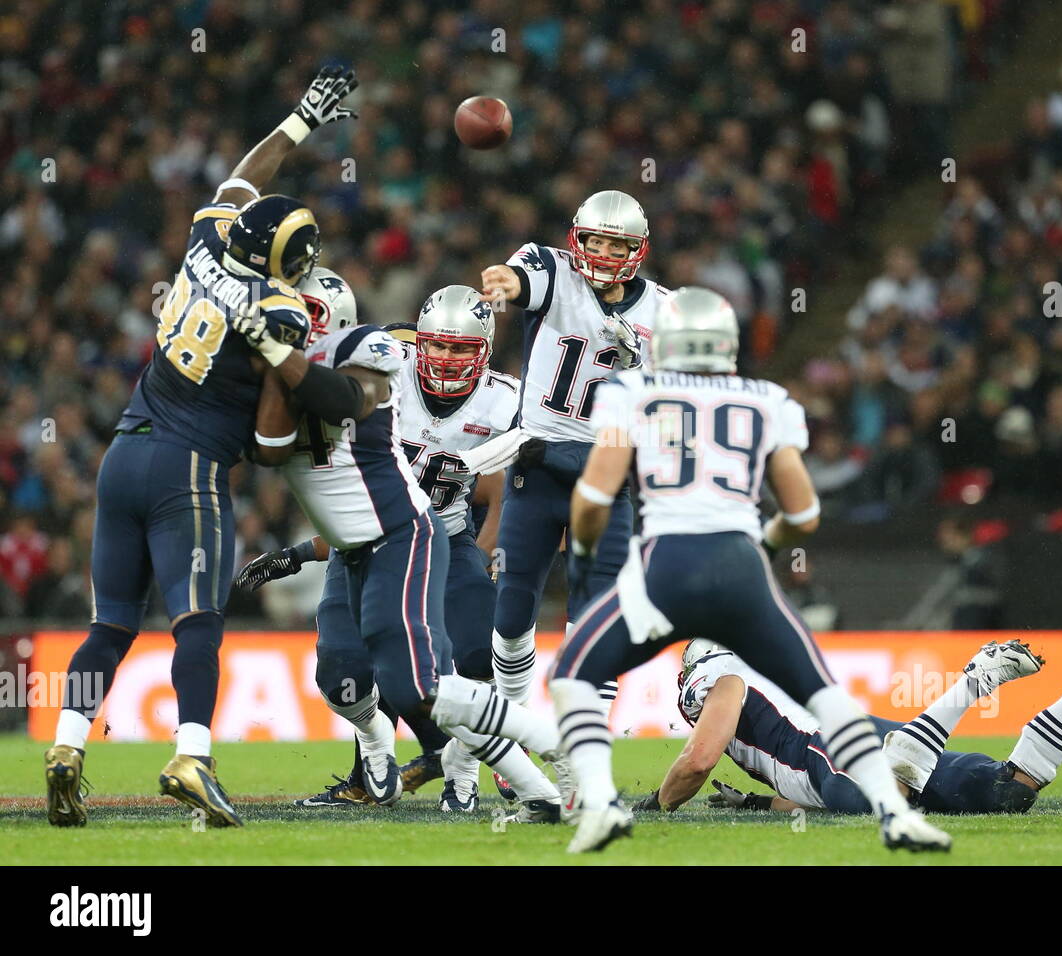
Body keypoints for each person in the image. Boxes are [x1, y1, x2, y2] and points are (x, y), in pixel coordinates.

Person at [43, 65, 360, 828]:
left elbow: (243, 181)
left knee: (109, 626)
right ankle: (191, 755)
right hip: (186, 469)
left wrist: (301, 119)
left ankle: (64, 748)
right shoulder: (279, 310)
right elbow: (270, 441)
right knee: (197, 622)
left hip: (123, 451)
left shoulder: (208, 237)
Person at [546, 286, 951, 853]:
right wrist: (766, 541)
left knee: (571, 675)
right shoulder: (767, 399)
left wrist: (585, 554)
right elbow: (804, 513)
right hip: (740, 566)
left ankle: (597, 806)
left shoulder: (631, 391)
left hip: (664, 566)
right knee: (824, 695)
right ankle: (894, 813)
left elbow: (593, 498)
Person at [242, 282, 572, 819]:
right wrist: (300, 552)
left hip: (439, 532)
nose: (444, 358)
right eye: (436, 345)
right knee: (347, 678)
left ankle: (473, 772)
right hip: (366, 539)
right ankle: (381, 760)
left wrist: (495, 553)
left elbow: (504, 490)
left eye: (460, 348)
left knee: (461, 663)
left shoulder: (494, 397)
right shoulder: (373, 375)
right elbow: (352, 496)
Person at [636, 625, 1062, 817]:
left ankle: (973, 681)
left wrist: (657, 804)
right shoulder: (760, 680)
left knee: (881, 807)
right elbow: (812, 792)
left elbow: (699, 759)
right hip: (864, 743)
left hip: (836, 749)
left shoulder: (721, 675)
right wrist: (758, 803)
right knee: (1006, 795)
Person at [478, 191, 666, 712]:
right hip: (536, 469)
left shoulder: (663, 311)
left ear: (638, 249)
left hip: (606, 479)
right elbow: (518, 281)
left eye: (617, 243)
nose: (604, 252)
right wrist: (502, 283)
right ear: (576, 240)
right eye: (596, 240)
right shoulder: (552, 270)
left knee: (596, 622)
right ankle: (512, 726)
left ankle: (582, 754)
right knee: (513, 611)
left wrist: (640, 373)